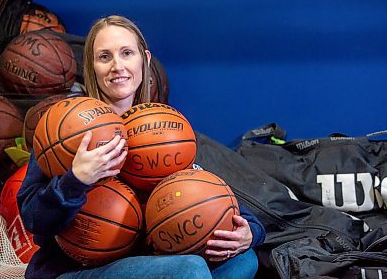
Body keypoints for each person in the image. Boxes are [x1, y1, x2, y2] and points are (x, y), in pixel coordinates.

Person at [17, 15, 265, 279]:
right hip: (73, 271)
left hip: (145, 262)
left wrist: (249, 232)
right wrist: (76, 180)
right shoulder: (65, 129)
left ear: (144, 59)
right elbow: (34, 221)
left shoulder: (163, 130)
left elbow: (214, 198)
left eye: (126, 53)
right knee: (188, 270)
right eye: (104, 57)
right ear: (91, 66)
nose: (117, 66)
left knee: (242, 260)